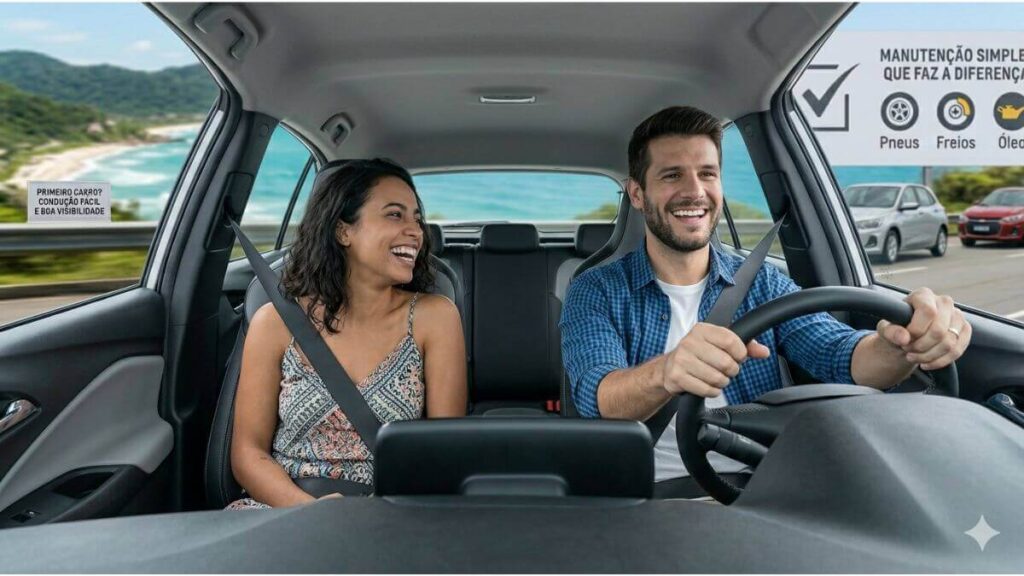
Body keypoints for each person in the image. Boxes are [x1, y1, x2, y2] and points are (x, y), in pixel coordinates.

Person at [559, 106, 971, 493]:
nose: (695, 191)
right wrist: (669, 371)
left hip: (759, 485)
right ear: (636, 194)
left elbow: (841, 356)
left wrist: (905, 342)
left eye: (707, 173)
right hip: (645, 492)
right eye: (671, 176)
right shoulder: (597, 288)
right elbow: (600, 400)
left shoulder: (760, 282)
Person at [228, 159, 467, 509]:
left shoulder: (435, 317)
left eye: (417, 218)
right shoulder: (274, 323)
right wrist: (311, 512)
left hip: (391, 512)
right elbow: (248, 454)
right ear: (344, 231)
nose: (416, 231)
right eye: (395, 215)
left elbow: (444, 454)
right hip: (284, 511)